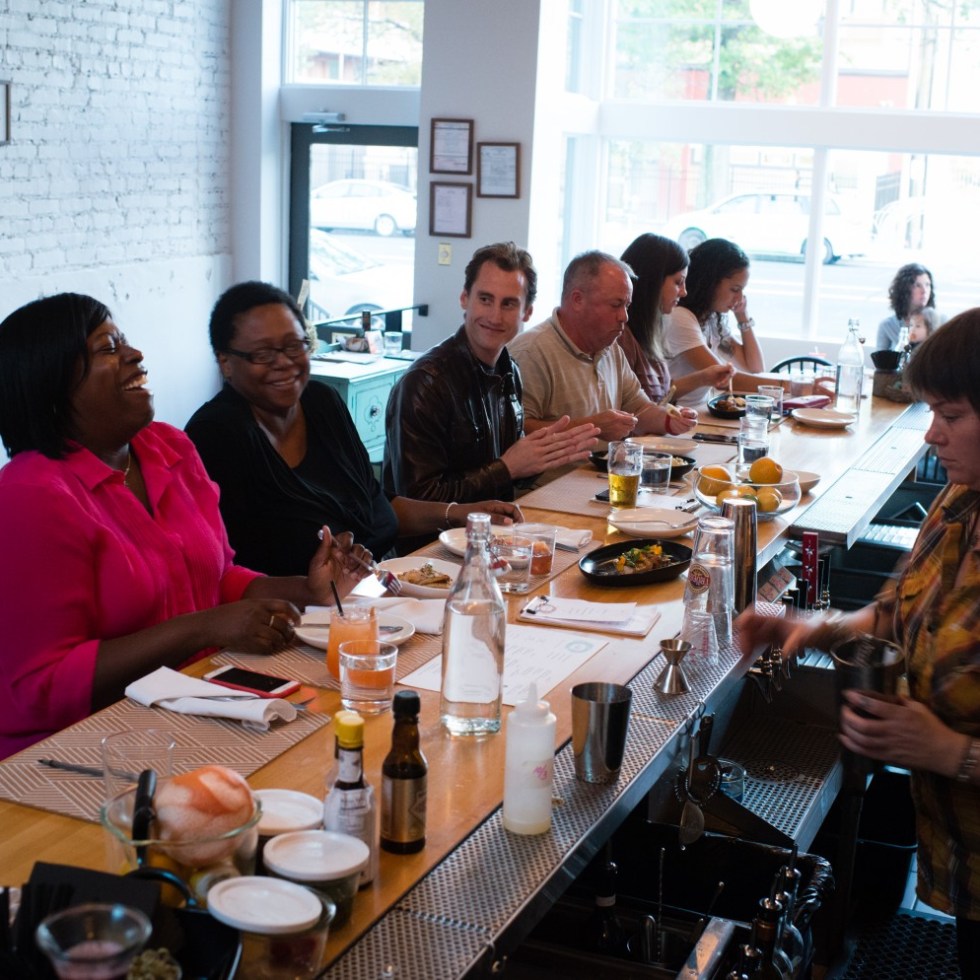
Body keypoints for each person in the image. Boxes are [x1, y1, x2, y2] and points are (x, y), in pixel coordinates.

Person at [0, 293, 369, 758]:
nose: (135, 354)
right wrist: (202, 629)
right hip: (80, 747)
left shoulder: (167, 448)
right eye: (108, 348)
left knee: (349, 732)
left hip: (192, 703)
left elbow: (215, 579)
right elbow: (41, 685)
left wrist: (308, 589)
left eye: (125, 342)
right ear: (53, 384)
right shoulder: (30, 495)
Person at [736, 309, 980, 978]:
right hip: (960, 855)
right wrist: (810, 626)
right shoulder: (960, 500)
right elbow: (900, 610)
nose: (932, 434)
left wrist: (951, 752)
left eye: (951, 416)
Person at [186, 281, 522, 573]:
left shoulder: (321, 401)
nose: (284, 362)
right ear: (225, 362)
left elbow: (374, 503)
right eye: (263, 354)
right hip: (294, 617)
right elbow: (224, 571)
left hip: (374, 592)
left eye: (294, 346)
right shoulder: (214, 436)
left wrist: (460, 514)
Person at [383, 242, 600, 503]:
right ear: (465, 298)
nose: (495, 317)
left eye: (508, 304)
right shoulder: (425, 383)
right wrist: (507, 468)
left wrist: (540, 457)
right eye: (485, 299)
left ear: (527, 312)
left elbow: (510, 473)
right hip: (446, 531)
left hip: (498, 524)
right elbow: (417, 501)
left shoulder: (510, 370)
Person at [507, 250, 699, 444]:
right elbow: (518, 431)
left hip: (605, 463)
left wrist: (671, 420)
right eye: (616, 305)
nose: (624, 316)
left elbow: (640, 409)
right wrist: (593, 427)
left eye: (626, 306)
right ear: (577, 300)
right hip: (566, 466)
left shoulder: (610, 347)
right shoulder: (531, 352)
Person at [661, 238, 789, 408]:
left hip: (699, 411)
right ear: (710, 283)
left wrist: (742, 316)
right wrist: (789, 386)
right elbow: (724, 378)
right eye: (735, 289)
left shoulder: (712, 318)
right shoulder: (680, 317)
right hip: (678, 413)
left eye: (742, 290)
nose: (740, 297)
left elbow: (755, 368)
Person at [617, 233, 734, 403]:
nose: (684, 292)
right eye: (678, 282)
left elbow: (658, 396)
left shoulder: (652, 328)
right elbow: (636, 406)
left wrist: (703, 378)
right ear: (654, 280)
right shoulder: (622, 337)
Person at [876, 263, 940, 352]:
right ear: (904, 289)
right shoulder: (887, 325)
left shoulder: (940, 321)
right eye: (918, 285)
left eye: (927, 285)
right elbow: (879, 359)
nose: (924, 291)